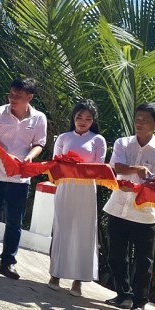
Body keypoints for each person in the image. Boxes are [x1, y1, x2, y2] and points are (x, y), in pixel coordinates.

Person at [103, 102, 155, 310]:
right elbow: (116, 167)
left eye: (145, 120)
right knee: (115, 255)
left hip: (143, 211)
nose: (139, 123)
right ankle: (123, 294)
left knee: (144, 260)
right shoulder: (123, 142)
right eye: (138, 118)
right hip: (117, 206)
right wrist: (137, 170)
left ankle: (139, 302)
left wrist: (142, 180)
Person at [0, 78, 47, 279]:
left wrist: (29, 157)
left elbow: (39, 143)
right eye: (11, 94)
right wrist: (7, 157)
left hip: (20, 178)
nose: (13, 98)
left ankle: (8, 262)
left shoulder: (39, 118)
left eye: (19, 95)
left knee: (15, 222)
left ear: (30, 97)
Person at [48, 100, 107, 296]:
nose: (83, 121)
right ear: (73, 117)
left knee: (84, 232)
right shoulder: (63, 138)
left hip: (86, 190)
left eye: (88, 118)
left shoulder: (98, 140)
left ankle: (78, 282)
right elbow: (55, 164)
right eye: (79, 117)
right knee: (62, 228)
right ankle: (55, 274)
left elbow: (99, 168)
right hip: (65, 187)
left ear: (93, 121)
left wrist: (80, 169)